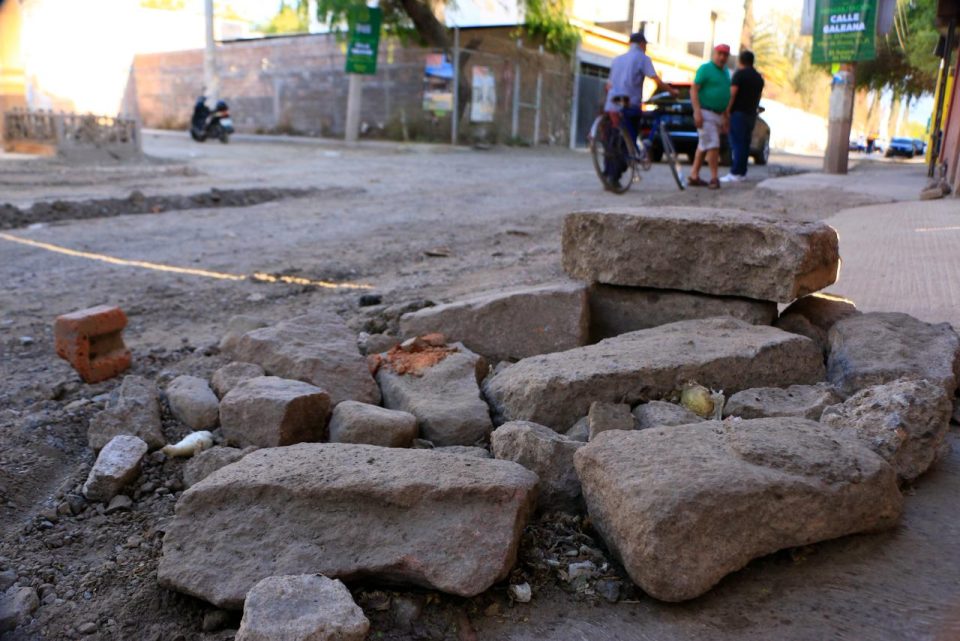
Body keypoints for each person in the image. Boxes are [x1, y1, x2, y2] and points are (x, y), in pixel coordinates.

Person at [602, 32, 677, 190]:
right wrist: (671, 91)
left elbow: (608, 84)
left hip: (612, 105)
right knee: (627, 142)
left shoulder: (617, 59)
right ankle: (615, 176)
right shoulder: (643, 58)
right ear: (642, 44)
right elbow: (655, 79)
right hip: (630, 105)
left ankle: (607, 173)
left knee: (612, 139)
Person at [688, 44, 732, 189]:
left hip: (718, 114)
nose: (722, 57)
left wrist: (725, 116)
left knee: (704, 145)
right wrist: (697, 111)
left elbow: (725, 95)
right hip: (705, 112)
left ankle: (694, 175)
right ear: (715, 54)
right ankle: (714, 178)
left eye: (725, 55)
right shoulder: (706, 69)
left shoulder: (726, 72)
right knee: (713, 144)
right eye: (720, 54)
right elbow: (694, 90)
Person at [721, 49, 764, 183]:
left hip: (738, 113)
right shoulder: (758, 78)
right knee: (745, 144)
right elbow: (758, 97)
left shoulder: (739, 74)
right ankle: (742, 172)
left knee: (737, 143)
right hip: (751, 114)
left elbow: (733, 93)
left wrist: (727, 111)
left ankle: (735, 172)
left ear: (741, 61)